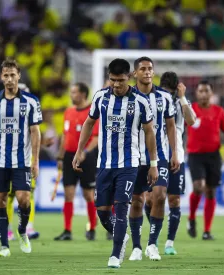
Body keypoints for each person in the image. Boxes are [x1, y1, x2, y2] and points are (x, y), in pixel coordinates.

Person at [72, 58, 158, 268]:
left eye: (120, 80)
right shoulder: (100, 97)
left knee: (121, 208)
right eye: (112, 80)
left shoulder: (141, 101)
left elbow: (149, 132)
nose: (116, 85)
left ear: (128, 77)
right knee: (102, 212)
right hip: (104, 164)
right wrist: (79, 150)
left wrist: (153, 163)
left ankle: (115, 254)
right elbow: (89, 123)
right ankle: (122, 237)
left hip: (129, 164)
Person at [0, 59, 42, 257]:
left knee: (23, 199)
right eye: (5, 75)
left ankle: (23, 230)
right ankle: (4, 246)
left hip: (22, 161)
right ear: (1, 78)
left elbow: (35, 132)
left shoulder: (30, 101)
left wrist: (36, 160)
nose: (9, 79)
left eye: (12, 75)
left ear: (19, 76)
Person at [128, 56, 179, 262]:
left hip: (159, 156)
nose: (147, 72)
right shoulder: (128, 97)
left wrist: (175, 152)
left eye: (150, 68)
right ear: (135, 73)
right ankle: (136, 247)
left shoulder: (164, 97)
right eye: (143, 69)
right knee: (137, 201)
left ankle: (152, 245)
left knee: (159, 196)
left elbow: (171, 126)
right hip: (133, 156)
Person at [187, 80, 224, 240]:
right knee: (198, 186)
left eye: (206, 91)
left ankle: (207, 230)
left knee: (211, 191)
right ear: (196, 93)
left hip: (214, 155)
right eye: (200, 91)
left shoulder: (219, 111)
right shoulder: (191, 110)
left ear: (211, 93)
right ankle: (192, 217)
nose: (203, 94)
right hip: (195, 155)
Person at [54, 83, 99, 241]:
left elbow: (95, 137)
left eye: (74, 92)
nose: (71, 95)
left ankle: (92, 228)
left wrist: (84, 152)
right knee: (68, 194)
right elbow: (65, 136)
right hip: (68, 156)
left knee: (88, 195)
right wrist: (60, 156)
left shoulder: (92, 112)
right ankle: (67, 230)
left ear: (83, 94)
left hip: (86, 158)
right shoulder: (68, 112)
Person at [159, 72, 196, 255]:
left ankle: (169, 243)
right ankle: (155, 230)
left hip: (176, 156)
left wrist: (181, 98)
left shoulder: (181, 102)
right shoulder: (154, 100)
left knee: (174, 199)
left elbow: (191, 121)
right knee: (151, 199)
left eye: (170, 91)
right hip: (155, 156)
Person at [6, 83, 40, 241]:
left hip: (26, 160)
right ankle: (7, 229)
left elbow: (36, 136)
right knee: (8, 195)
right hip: (7, 160)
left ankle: (28, 227)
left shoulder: (31, 113)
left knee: (28, 195)